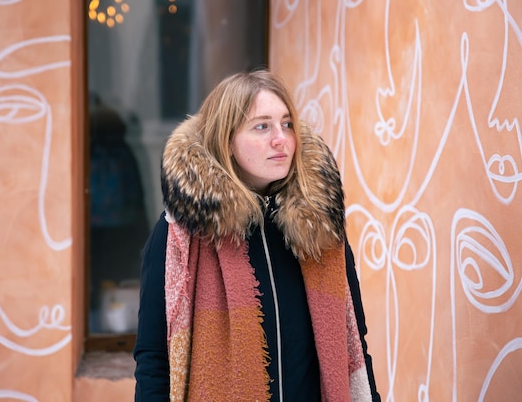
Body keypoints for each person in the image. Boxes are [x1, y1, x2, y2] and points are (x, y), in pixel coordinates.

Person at [133, 69, 381, 401]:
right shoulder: (181, 235)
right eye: (262, 126)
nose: (281, 139)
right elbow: (154, 360)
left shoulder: (318, 226)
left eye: (287, 124)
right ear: (227, 140)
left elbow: (354, 342)